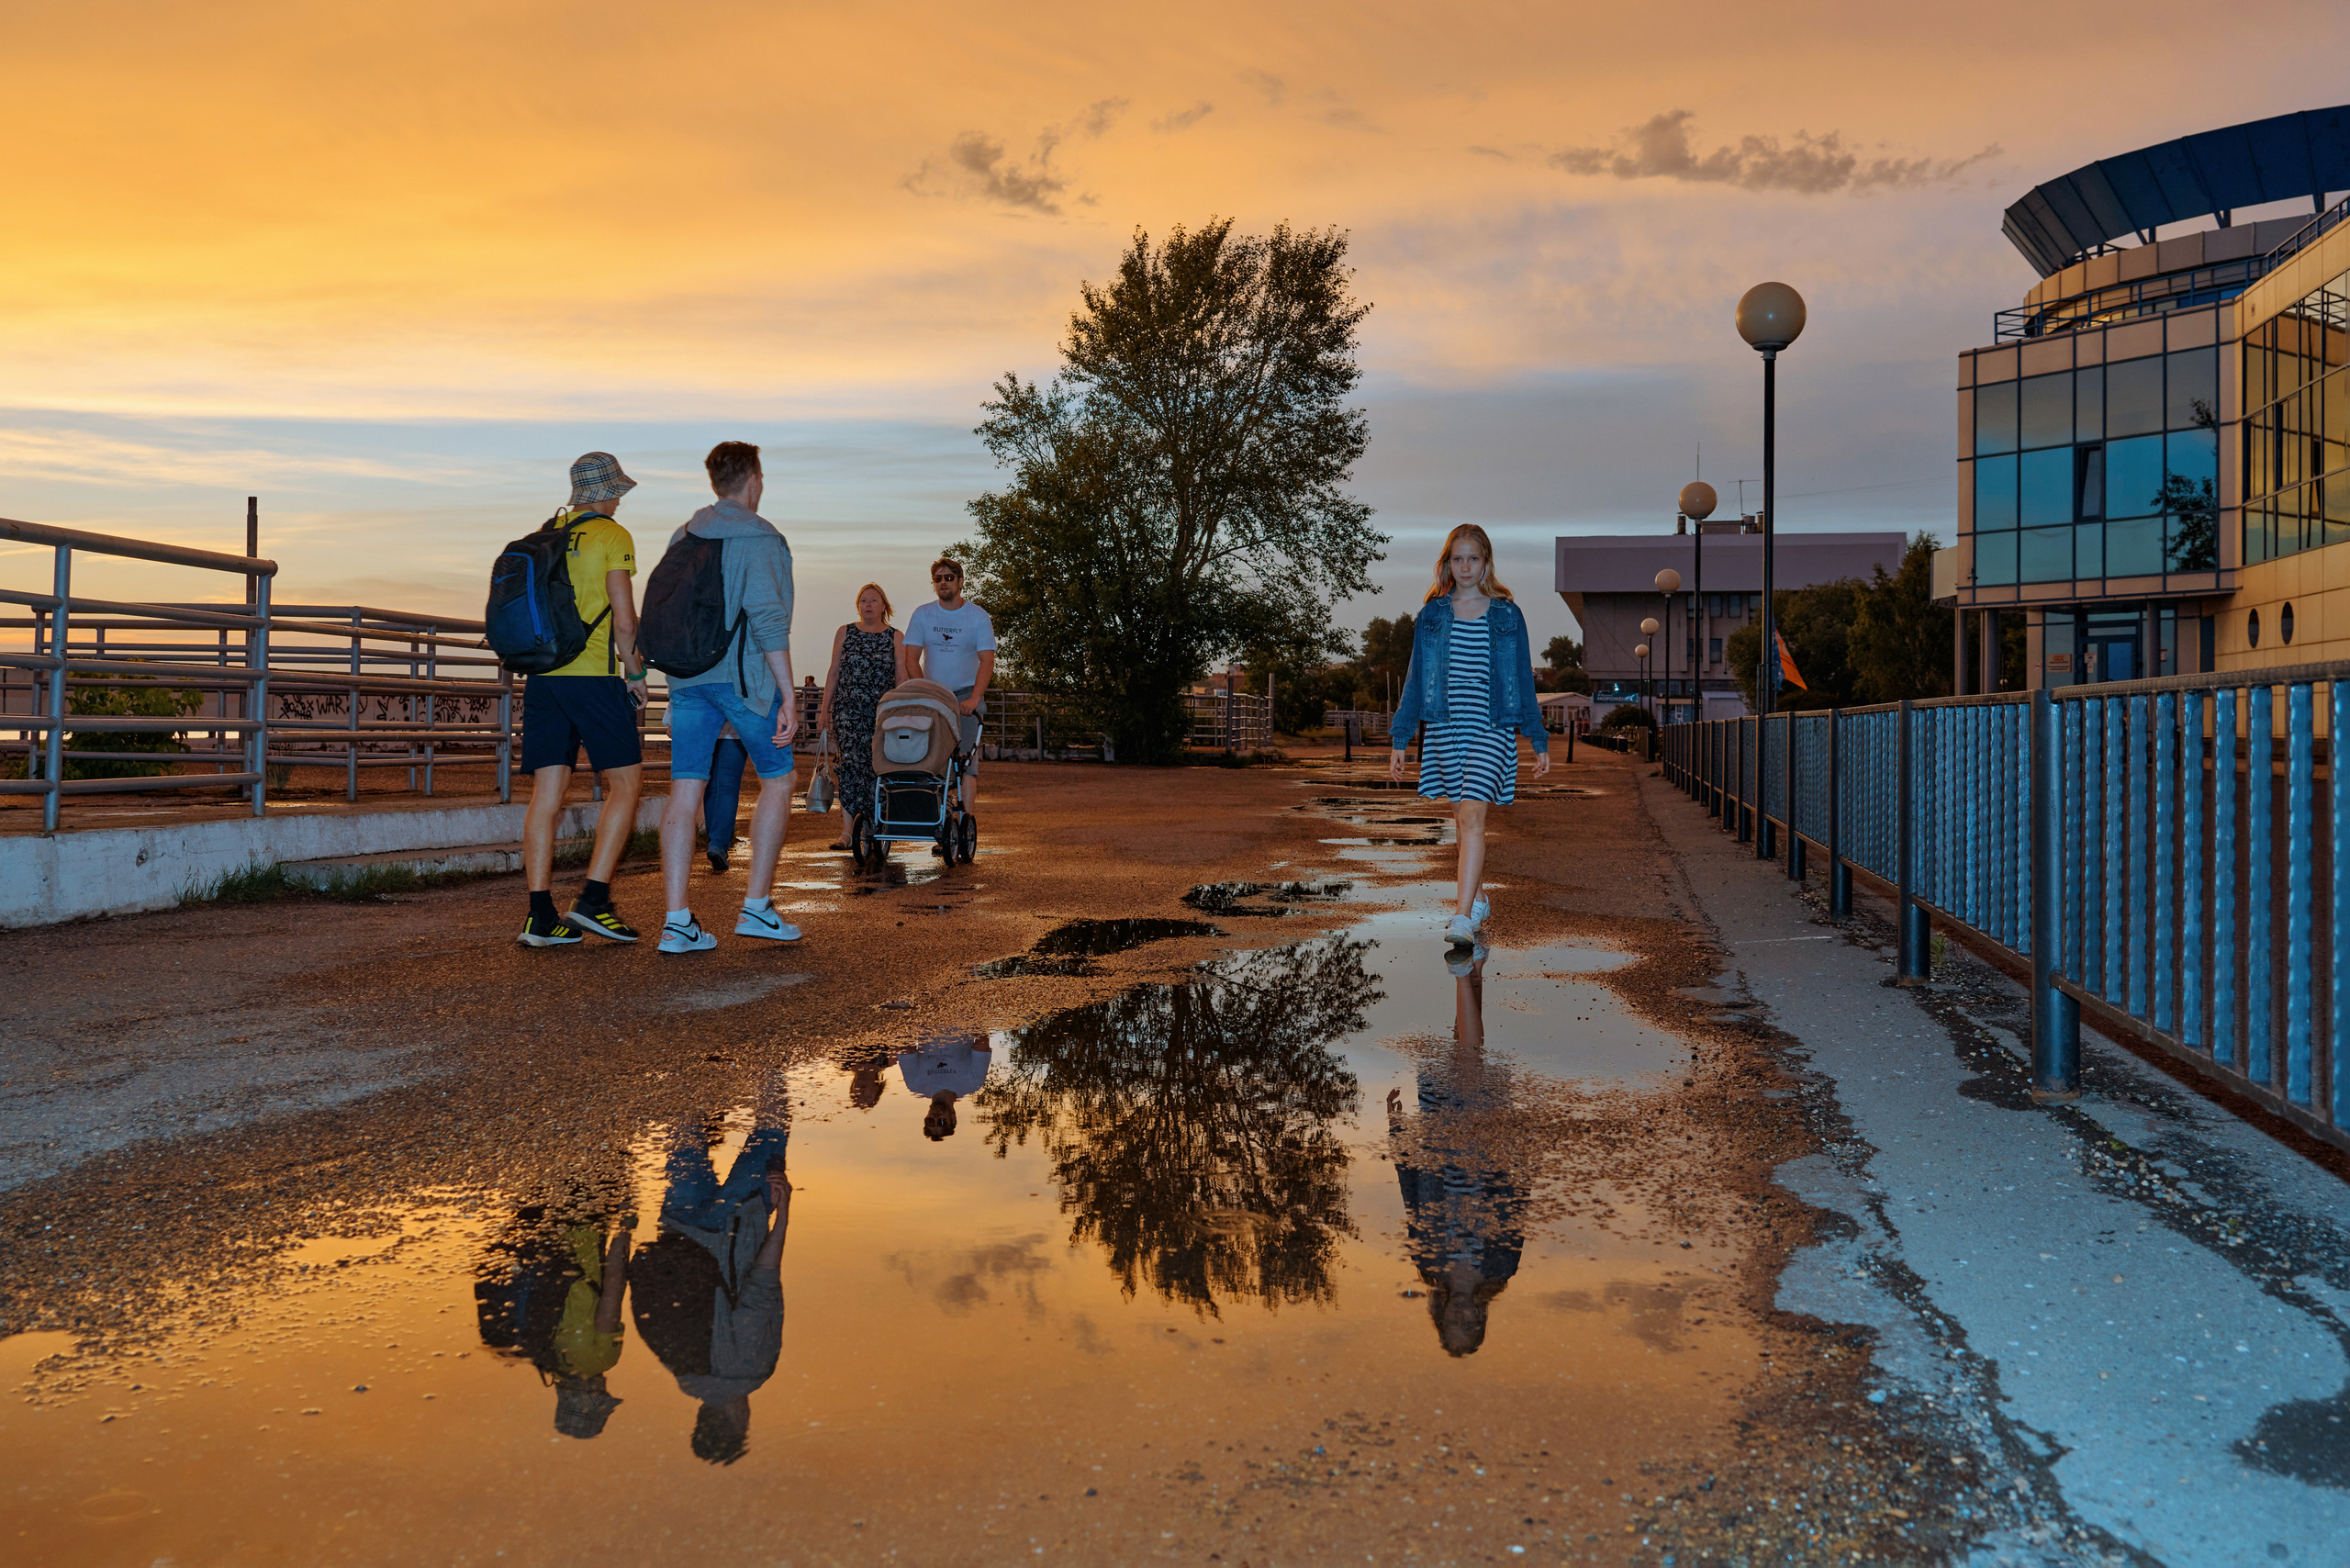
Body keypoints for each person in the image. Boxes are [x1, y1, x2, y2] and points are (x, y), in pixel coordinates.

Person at [655, 442, 800, 954]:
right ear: (754, 479)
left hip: (688, 681)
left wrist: (672, 687)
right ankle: (757, 907)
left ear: (714, 482)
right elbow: (768, 620)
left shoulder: (684, 534)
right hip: (743, 684)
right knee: (780, 780)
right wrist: (787, 692)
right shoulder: (762, 538)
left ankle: (677, 921)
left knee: (685, 790)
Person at [1389, 524, 1550, 946]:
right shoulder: (1433, 614)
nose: (1465, 566)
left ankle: (1461, 915)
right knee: (1461, 819)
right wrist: (1400, 739)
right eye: (1457, 558)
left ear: (1486, 562)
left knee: (1474, 816)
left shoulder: (1506, 615)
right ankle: (1477, 897)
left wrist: (1537, 738)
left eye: (1473, 558)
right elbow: (1415, 679)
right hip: (1444, 725)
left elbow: (1522, 678)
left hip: (1491, 726)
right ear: (1447, 563)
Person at [518, 452, 647, 947]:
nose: (620, 498)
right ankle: (593, 900)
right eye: (617, 490)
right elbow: (624, 618)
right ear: (603, 492)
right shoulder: (613, 536)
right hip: (591, 677)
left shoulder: (548, 532)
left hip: (544, 677)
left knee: (547, 795)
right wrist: (634, 672)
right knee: (627, 784)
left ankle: (539, 915)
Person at [630, 1092, 791, 1466]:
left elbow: (762, 1287)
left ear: (738, 1422)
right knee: (684, 1132)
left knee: (769, 1134)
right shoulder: (679, 1367)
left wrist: (783, 1213)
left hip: (731, 1228)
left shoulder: (749, 1371)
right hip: (677, 1229)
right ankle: (683, 1052)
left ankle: (770, 1050)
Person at [1386, 944, 1525, 1357]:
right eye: (1471, 1326)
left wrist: (1398, 1130)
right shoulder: (1500, 1272)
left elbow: (1412, 1201)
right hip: (1485, 1151)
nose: (1463, 1319)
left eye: (1454, 1326)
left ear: (1442, 1318)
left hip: (1438, 1146)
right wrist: (1520, 1150)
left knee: (1465, 1053)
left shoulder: (1429, 1267)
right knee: (1469, 1058)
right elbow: (1515, 1207)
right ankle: (1466, 972)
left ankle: (1472, 970)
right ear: (1482, 1321)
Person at [900, 557, 994, 826]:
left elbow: (987, 660)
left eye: (949, 578)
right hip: (933, 696)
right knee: (934, 762)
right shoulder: (923, 614)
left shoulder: (977, 616)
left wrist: (974, 698)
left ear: (961, 582)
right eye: (938, 579)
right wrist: (926, 693)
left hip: (966, 695)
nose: (943, 582)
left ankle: (964, 822)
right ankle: (941, 823)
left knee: (966, 763)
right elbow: (911, 659)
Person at [814, 584, 903, 849]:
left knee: (878, 767)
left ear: (884, 605)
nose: (868, 605)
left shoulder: (895, 636)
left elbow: (901, 676)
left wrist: (902, 709)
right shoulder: (845, 632)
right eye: (863, 600)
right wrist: (824, 710)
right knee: (850, 767)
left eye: (874, 600)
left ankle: (878, 825)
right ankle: (847, 831)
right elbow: (833, 673)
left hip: (882, 714)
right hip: (847, 712)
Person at [899, 1027, 991, 1141]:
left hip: (925, 1021)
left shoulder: (915, 1085)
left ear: (926, 1117)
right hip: (961, 1019)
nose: (936, 1117)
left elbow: (905, 1046)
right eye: (942, 1122)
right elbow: (982, 1043)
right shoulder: (972, 1083)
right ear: (953, 1118)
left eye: (931, 1121)